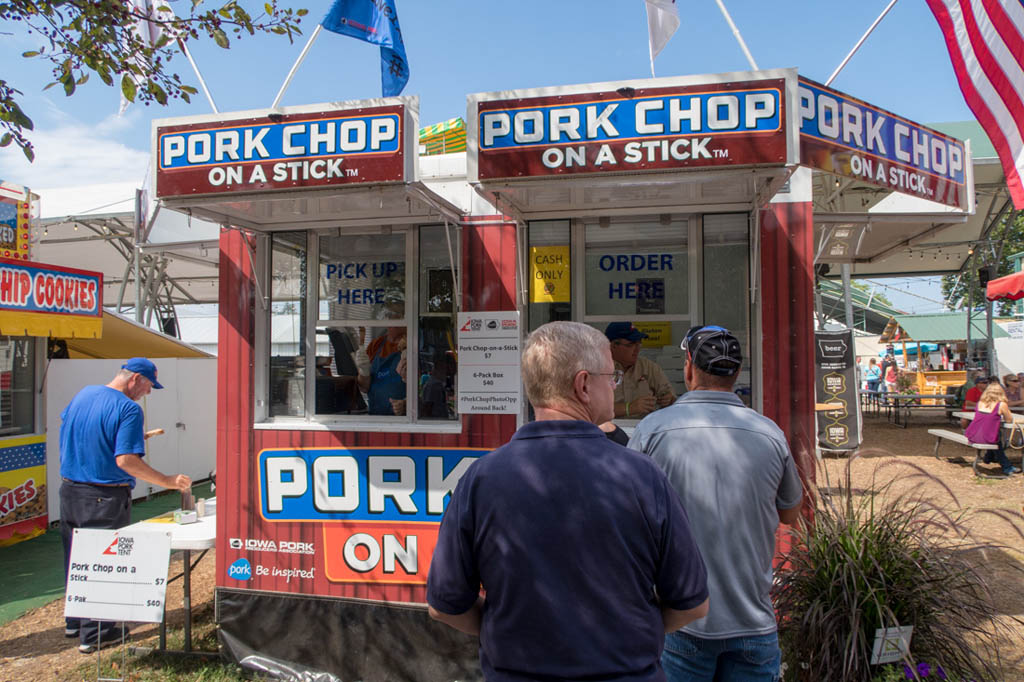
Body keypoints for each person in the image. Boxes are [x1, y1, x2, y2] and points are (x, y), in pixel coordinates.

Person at [427, 321, 709, 680]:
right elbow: (692, 603)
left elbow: (445, 605)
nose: (615, 385)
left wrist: (505, 632)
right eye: (612, 377)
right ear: (584, 384)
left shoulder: (479, 480)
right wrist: (630, 637)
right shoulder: (643, 477)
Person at [628, 325, 803, 682]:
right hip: (754, 623)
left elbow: (628, 519)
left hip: (681, 622)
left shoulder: (652, 430)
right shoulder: (769, 433)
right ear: (736, 373)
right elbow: (790, 513)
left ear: (688, 367)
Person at [59, 358, 192, 653]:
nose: (149, 392)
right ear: (134, 379)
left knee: (76, 559)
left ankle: (75, 621)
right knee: (103, 563)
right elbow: (126, 461)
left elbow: (79, 430)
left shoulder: (84, 394)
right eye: (148, 385)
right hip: (104, 496)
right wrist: (166, 480)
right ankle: (95, 633)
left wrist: (124, 439)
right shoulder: (128, 408)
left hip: (70, 491)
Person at [605, 321, 676, 419]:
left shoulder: (648, 366)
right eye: (631, 344)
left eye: (639, 344)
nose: (637, 349)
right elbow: (593, 408)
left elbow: (671, 397)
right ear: (613, 346)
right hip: (609, 429)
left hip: (644, 427)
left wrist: (669, 399)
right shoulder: (599, 369)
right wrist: (629, 408)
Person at [965, 382, 1021, 476]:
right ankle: (1007, 467)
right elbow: (1009, 420)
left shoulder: (980, 403)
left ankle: (988, 457)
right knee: (996, 438)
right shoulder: (1001, 404)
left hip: (973, 434)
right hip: (987, 437)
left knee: (996, 435)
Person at [354, 325, 407, 415]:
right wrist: (364, 371)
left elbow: (421, 388)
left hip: (403, 419)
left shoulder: (412, 345)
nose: (391, 323)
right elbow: (364, 388)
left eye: (397, 317)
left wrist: (406, 404)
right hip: (376, 418)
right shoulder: (376, 345)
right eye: (389, 317)